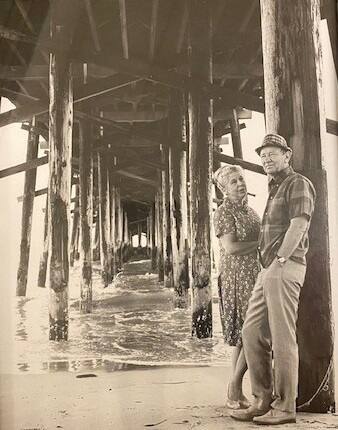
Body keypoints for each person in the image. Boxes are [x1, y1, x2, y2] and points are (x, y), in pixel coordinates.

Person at [231, 133, 316, 425]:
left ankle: (285, 407)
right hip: (267, 270)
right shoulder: (275, 186)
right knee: (251, 332)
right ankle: (262, 399)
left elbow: (299, 224)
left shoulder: (298, 183)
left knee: (282, 340)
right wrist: (269, 266)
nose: (267, 159)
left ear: (287, 155)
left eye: (273, 154)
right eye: (263, 155)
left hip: (285, 265)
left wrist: (280, 259)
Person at [213, 165, 261, 409]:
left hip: (253, 275)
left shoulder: (251, 212)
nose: (240, 184)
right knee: (251, 334)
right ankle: (234, 387)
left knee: (245, 337)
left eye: (241, 179)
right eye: (233, 182)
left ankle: (235, 392)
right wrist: (262, 243)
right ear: (223, 189)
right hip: (236, 278)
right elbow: (231, 248)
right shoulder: (223, 212)